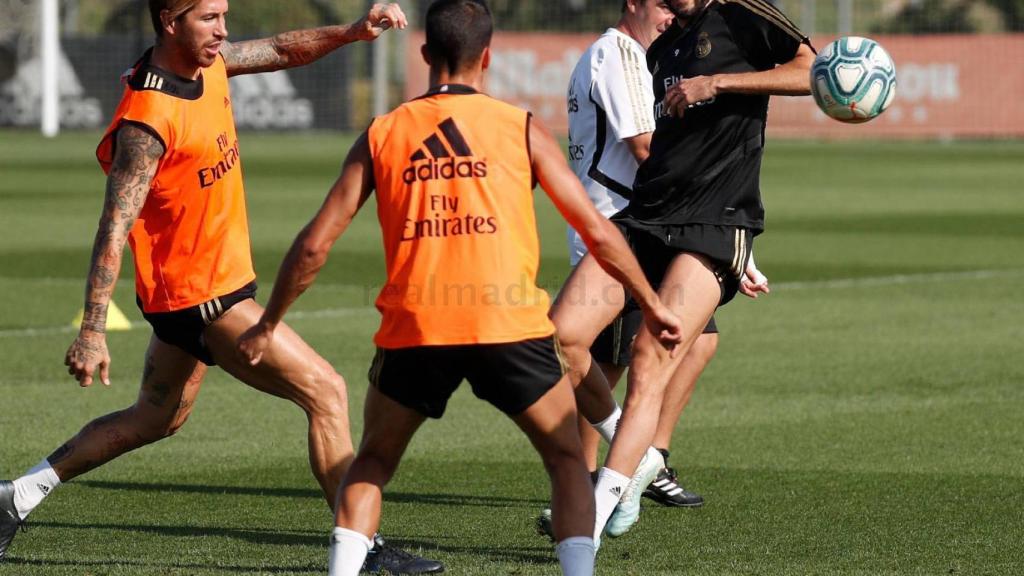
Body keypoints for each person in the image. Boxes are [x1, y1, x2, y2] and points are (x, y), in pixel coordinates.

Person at [234, 1, 684, 574]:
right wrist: (651, 302)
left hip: (418, 327)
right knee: (566, 460)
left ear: (425, 53)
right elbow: (597, 230)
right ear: (488, 57)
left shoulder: (384, 132)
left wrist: (269, 322)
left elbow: (314, 245)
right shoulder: (520, 127)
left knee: (371, 462)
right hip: (508, 325)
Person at [0, 2, 443, 573]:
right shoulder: (147, 122)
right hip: (203, 300)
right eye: (209, 18)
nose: (223, 30)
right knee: (326, 392)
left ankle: (16, 496)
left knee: (154, 418)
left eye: (223, 15)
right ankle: (361, 550)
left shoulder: (207, 65)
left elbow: (280, 49)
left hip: (193, 294)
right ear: (170, 22)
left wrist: (353, 32)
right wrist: (92, 329)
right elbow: (114, 225)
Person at [550, 0, 814, 543]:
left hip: (715, 220)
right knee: (560, 336)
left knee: (651, 358)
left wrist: (717, 83)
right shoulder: (663, 43)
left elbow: (810, 71)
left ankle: (593, 517)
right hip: (644, 215)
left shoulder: (742, 13)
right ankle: (638, 457)